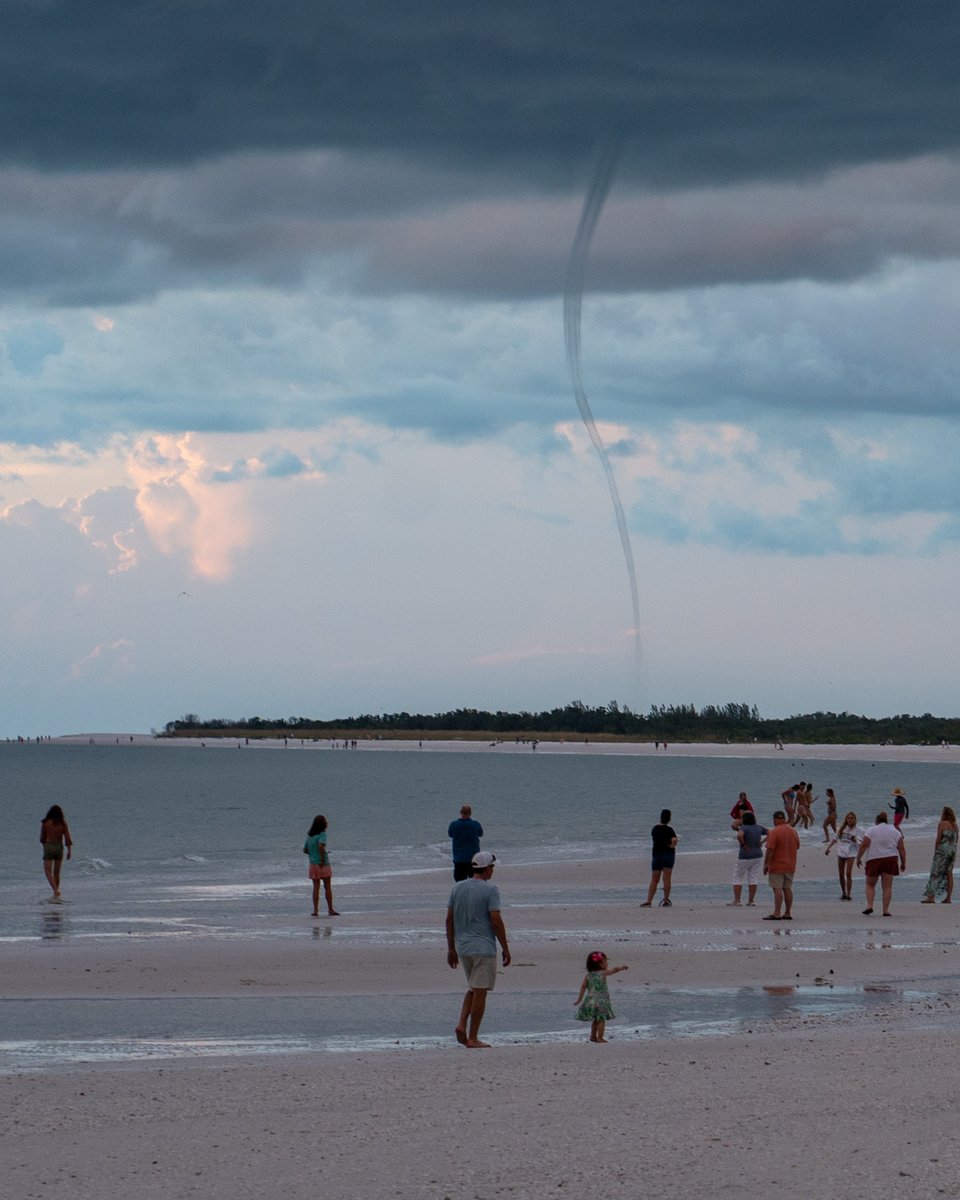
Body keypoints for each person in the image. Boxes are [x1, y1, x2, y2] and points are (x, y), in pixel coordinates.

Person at [446, 850, 510, 1048]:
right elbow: (496, 920)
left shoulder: (457, 888)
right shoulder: (491, 890)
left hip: (463, 948)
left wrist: (451, 948)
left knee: (474, 988)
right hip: (483, 947)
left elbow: (449, 919)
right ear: (486, 868)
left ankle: (462, 1024)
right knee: (481, 991)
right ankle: (473, 1037)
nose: (493, 871)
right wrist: (505, 947)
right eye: (492, 867)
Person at [856, 812, 906, 916]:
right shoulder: (895, 831)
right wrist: (903, 862)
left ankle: (870, 905)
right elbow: (901, 848)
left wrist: (858, 858)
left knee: (870, 884)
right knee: (887, 886)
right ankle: (885, 910)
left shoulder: (871, 830)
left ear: (876, 821)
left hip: (874, 859)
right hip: (890, 859)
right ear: (886, 821)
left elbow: (864, 845)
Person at [574, 951, 628, 1043]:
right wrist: (622, 968)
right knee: (601, 1020)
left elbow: (583, 986)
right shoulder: (603, 973)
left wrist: (579, 999)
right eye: (605, 961)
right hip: (600, 1001)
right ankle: (600, 1037)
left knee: (596, 1019)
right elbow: (614, 970)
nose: (607, 963)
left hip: (590, 1001)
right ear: (599, 964)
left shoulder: (588, 976)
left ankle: (593, 1036)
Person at [762, 810, 800, 920]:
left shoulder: (774, 832)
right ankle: (787, 912)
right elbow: (797, 846)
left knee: (777, 888)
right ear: (784, 818)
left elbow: (770, 850)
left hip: (777, 865)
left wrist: (766, 864)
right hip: (790, 864)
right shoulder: (793, 831)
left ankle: (777, 912)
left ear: (775, 819)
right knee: (787, 888)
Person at [729, 810, 767, 906]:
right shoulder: (759, 827)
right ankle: (751, 901)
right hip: (757, 854)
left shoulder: (744, 828)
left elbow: (739, 834)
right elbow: (771, 833)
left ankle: (737, 900)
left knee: (737, 877)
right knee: (753, 877)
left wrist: (743, 844)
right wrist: (762, 842)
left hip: (745, 855)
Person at [303, 814, 339, 917]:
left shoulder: (310, 836)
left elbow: (305, 850)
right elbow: (321, 846)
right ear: (323, 824)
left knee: (316, 888)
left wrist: (313, 854)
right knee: (327, 887)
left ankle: (315, 910)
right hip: (323, 864)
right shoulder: (322, 834)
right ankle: (330, 909)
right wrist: (322, 858)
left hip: (313, 865)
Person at [921, 806, 958, 904]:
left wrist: (936, 851)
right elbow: (956, 840)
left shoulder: (942, 824)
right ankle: (948, 898)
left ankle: (931, 898)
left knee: (935, 872)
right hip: (952, 851)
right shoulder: (955, 825)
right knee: (949, 873)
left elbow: (938, 839)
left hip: (942, 850)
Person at [641, 809, 677, 907]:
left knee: (654, 879)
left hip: (657, 855)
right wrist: (671, 846)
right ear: (669, 819)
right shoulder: (670, 830)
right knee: (667, 878)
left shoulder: (655, 829)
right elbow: (674, 840)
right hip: (668, 855)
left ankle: (649, 901)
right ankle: (666, 900)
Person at [825, 811, 865, 901]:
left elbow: (861, 843)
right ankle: (844, 893)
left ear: (854, 819)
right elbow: (835, 839)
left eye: (851, 818)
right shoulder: (842, 829)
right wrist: (828, 848)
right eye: (848, 818)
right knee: (841, 874)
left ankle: (849, 894)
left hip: (851, 852)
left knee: (848, 873)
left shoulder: (858, 830)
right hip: (841, 852)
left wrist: (855, 840)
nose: (850, 820)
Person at [40, 805, 72, 898]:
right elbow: (67, 838)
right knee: (57, 872)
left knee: (48, 871)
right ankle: (56, 892)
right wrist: (69, 851)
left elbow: (42, 838)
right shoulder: (63, 823)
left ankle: (55, 890)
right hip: (59, 847)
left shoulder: (45, 822)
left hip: (49, 845)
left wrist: (45, 847)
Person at [447, 804, 484, 881]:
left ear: (461, 812)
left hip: (459, 858)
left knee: (460, 883)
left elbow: (450, 834)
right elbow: (481, 834)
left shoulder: (454, 824)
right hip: (473, 858)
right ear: (470, 813)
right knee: (475, 882)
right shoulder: (475, 824)